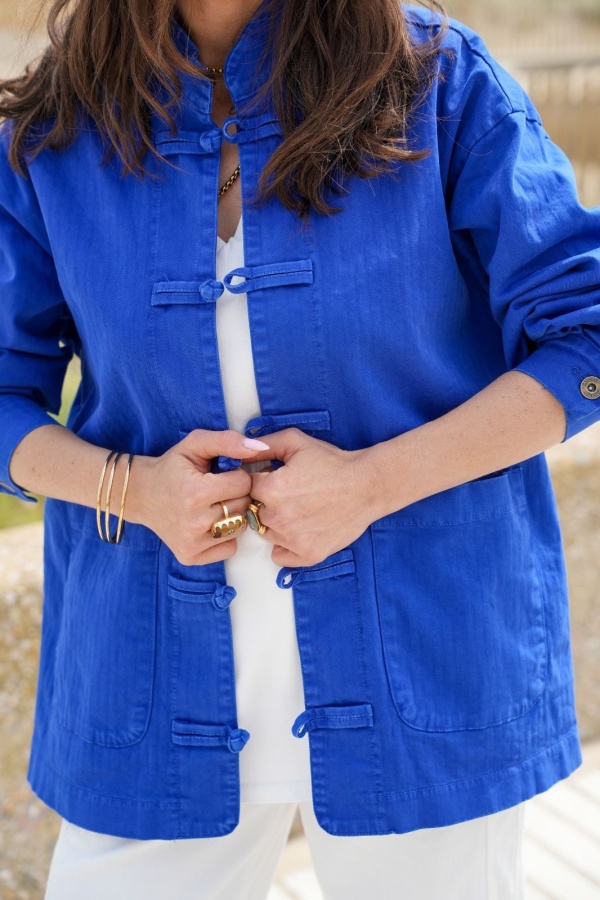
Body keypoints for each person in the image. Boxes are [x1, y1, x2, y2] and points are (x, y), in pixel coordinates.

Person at [0, 0, 599, 896]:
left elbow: (584, 334)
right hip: (148, 682)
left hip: (426, 661)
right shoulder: (55, 128)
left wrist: (373, 483)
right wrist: (133, 488)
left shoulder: (434, 79)